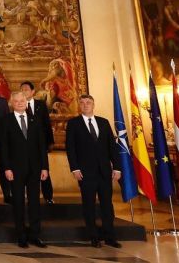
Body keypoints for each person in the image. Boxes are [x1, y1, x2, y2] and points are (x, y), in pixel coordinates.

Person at [65, 94, 121, 248]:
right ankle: (93, 237)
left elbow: (112, 147)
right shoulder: (73, 124)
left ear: (93, 104)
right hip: (85, 172)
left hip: (104, 171)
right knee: (88, 205)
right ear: (79, 105)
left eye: (88, 102)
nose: (85, 105)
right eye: (82, 103)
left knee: (107, 205)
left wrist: (117, 167)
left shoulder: (103, 123)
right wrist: (74, 168)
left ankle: (110, 236)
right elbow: (71, 148)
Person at [0, 91, 49, 248]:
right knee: (18, 203)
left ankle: (35, 235)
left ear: (26, 102)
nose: (20, 103)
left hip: (35, 169)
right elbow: (3, 147)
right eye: (17, 101)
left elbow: (42, 146)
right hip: (15, 170)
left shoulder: (35, 120)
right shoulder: (5, 121)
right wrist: (6, 168)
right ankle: (21, 236)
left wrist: (45, 168)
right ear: (11, 103)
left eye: (23, 100)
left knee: (34, 203)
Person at [22, 81, 55, 204]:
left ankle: (48, 196)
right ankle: (28, 196)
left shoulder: (40, 105)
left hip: (40, 144)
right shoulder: (19, 105)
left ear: (32, 91)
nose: (24, 91)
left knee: (44, 169)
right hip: (24, 145)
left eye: (26, 89)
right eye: (22, 90)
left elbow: (47, 124)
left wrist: (50, 142)